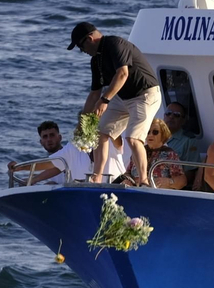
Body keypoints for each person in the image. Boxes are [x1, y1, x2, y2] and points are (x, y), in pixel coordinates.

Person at [69, 21, 162, 186]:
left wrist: (105, 100)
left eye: (81, 47)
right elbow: (94, 94)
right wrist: (82, 123)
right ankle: (97, 177)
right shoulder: (96, 61)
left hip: (145, 94)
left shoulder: (115, 44)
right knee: (100, 132)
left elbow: (122, 74)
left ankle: (144, 180)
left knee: (133, 138)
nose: (83, 51)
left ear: (89, 39)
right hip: (123, 97)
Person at [144, 119, 188, 190]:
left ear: (163, 135)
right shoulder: (139, 152)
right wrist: (127, 180)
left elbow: (183, 181)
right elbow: (128, 172)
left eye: (155, 132)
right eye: (148, 132)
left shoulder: (170, 154)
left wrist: (169, 182)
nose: (150, 135)